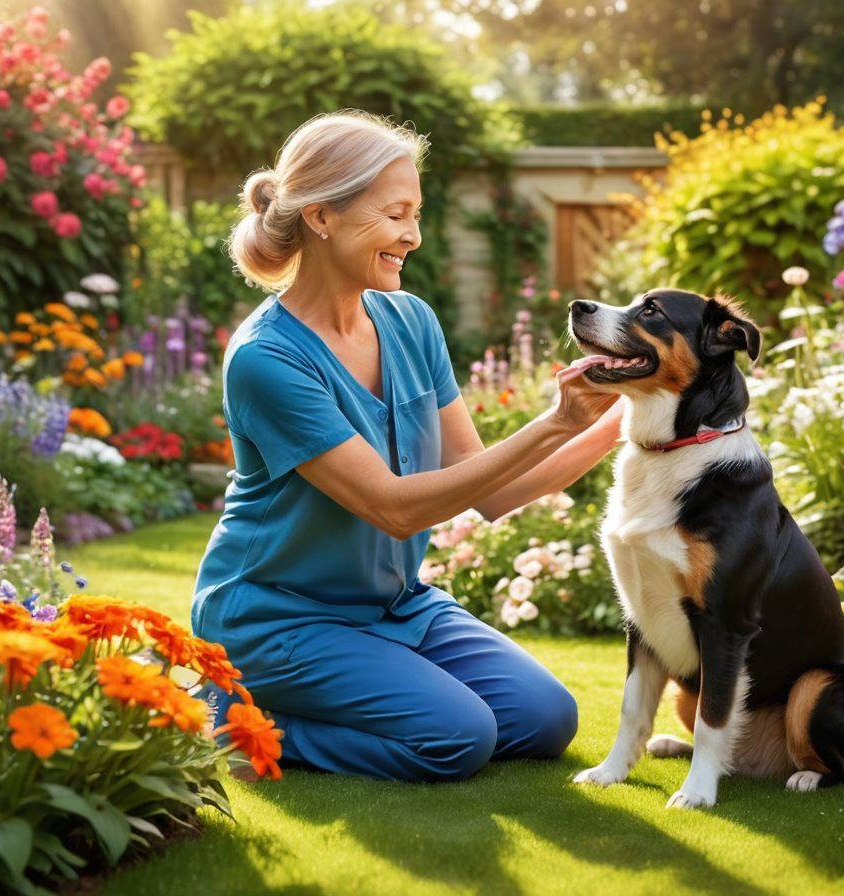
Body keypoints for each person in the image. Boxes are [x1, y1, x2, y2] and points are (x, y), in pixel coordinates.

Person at [192, 110, 622, 782]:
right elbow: (393, 510)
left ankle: (334, 692)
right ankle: (232, 717)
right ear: (322, 216)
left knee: (545, 719)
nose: (413, 236)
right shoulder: (267, 358)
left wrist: (622, 420)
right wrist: (556, 421)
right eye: (396, 214)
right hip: (278, 619)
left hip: (396, 605)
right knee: (457, 738)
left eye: (416, 213)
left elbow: (491, 489)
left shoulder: (410, 319)